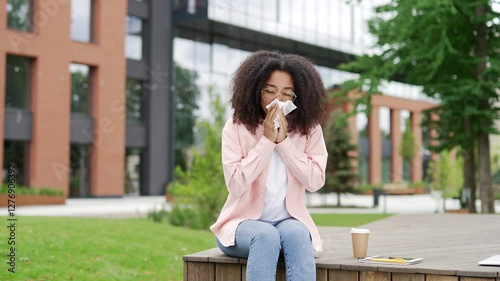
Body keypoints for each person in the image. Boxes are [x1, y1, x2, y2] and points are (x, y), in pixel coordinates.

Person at [210, 50, 328, 281]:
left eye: (287, 93)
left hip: (286, 222)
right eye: (270, 91)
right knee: (266, 236)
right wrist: (266, 140)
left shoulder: (310, 129)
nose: (278, 100)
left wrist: (283, 143)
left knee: (296, 232)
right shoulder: (236, 127)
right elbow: (235, 184)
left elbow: (315, 181)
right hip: (242, 226)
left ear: (298, 97)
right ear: (256, 92)